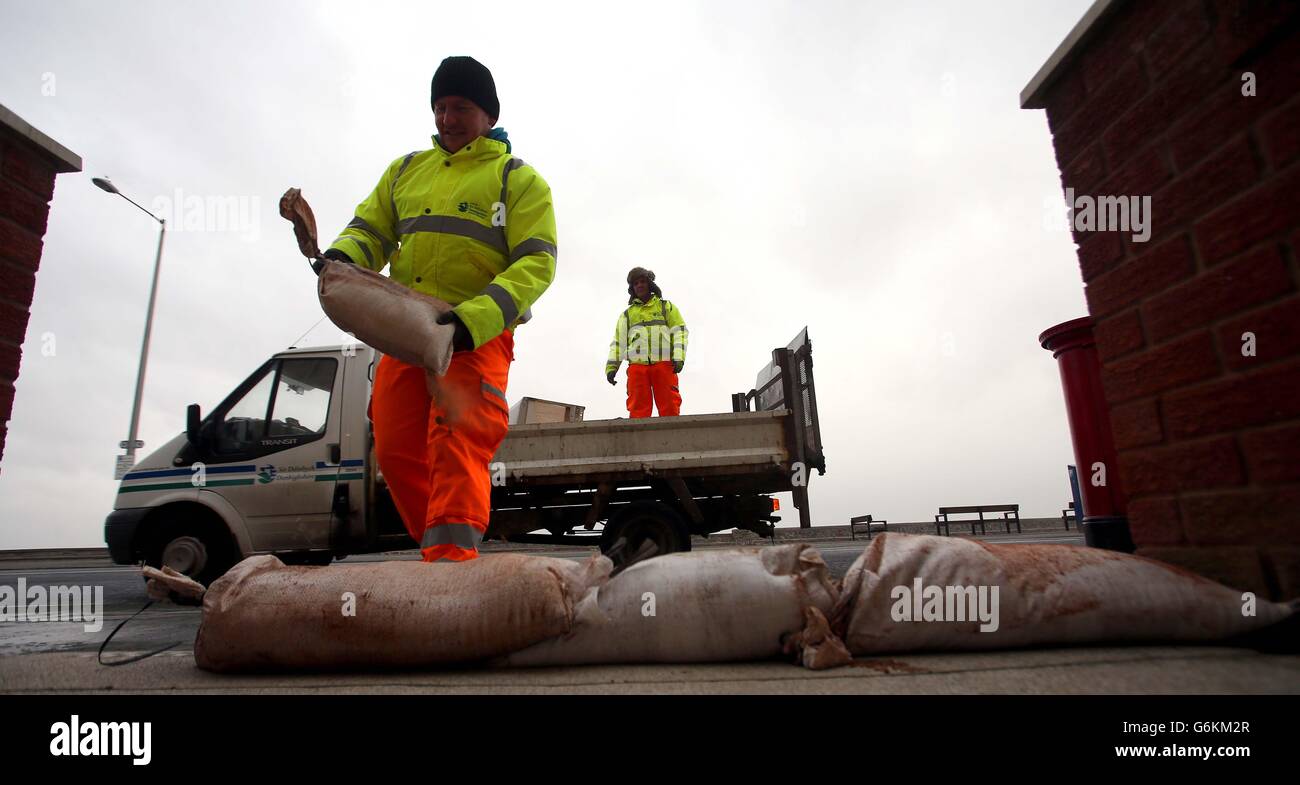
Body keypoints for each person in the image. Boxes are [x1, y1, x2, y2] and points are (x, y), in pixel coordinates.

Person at [322, 56, 557, 562]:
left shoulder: (517, 179)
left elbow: (537, 262)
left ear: (488, 115)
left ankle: (453, 571)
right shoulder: (406, 170)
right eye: (441, 107)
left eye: (462, 107)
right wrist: (343, 259)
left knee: (457, 440)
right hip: (406, 331)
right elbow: (370, 231)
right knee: (396, 446)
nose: (448, 118)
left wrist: (474, 321)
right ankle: (440, 554)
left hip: (476, 335)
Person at [605, 267, 688, 418]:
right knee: (637, 410)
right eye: (636, 283)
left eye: (642, 281)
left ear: (649, 284)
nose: (639, 285)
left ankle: (672, 437)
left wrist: (679, 356)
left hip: (664, 364)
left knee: (670, 406)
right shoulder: (627, 315)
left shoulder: (666, 307)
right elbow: (618, 343)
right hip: (637, 368)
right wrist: (611, 367)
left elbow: (679, 332)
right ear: (632, 288)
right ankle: (639, 440)